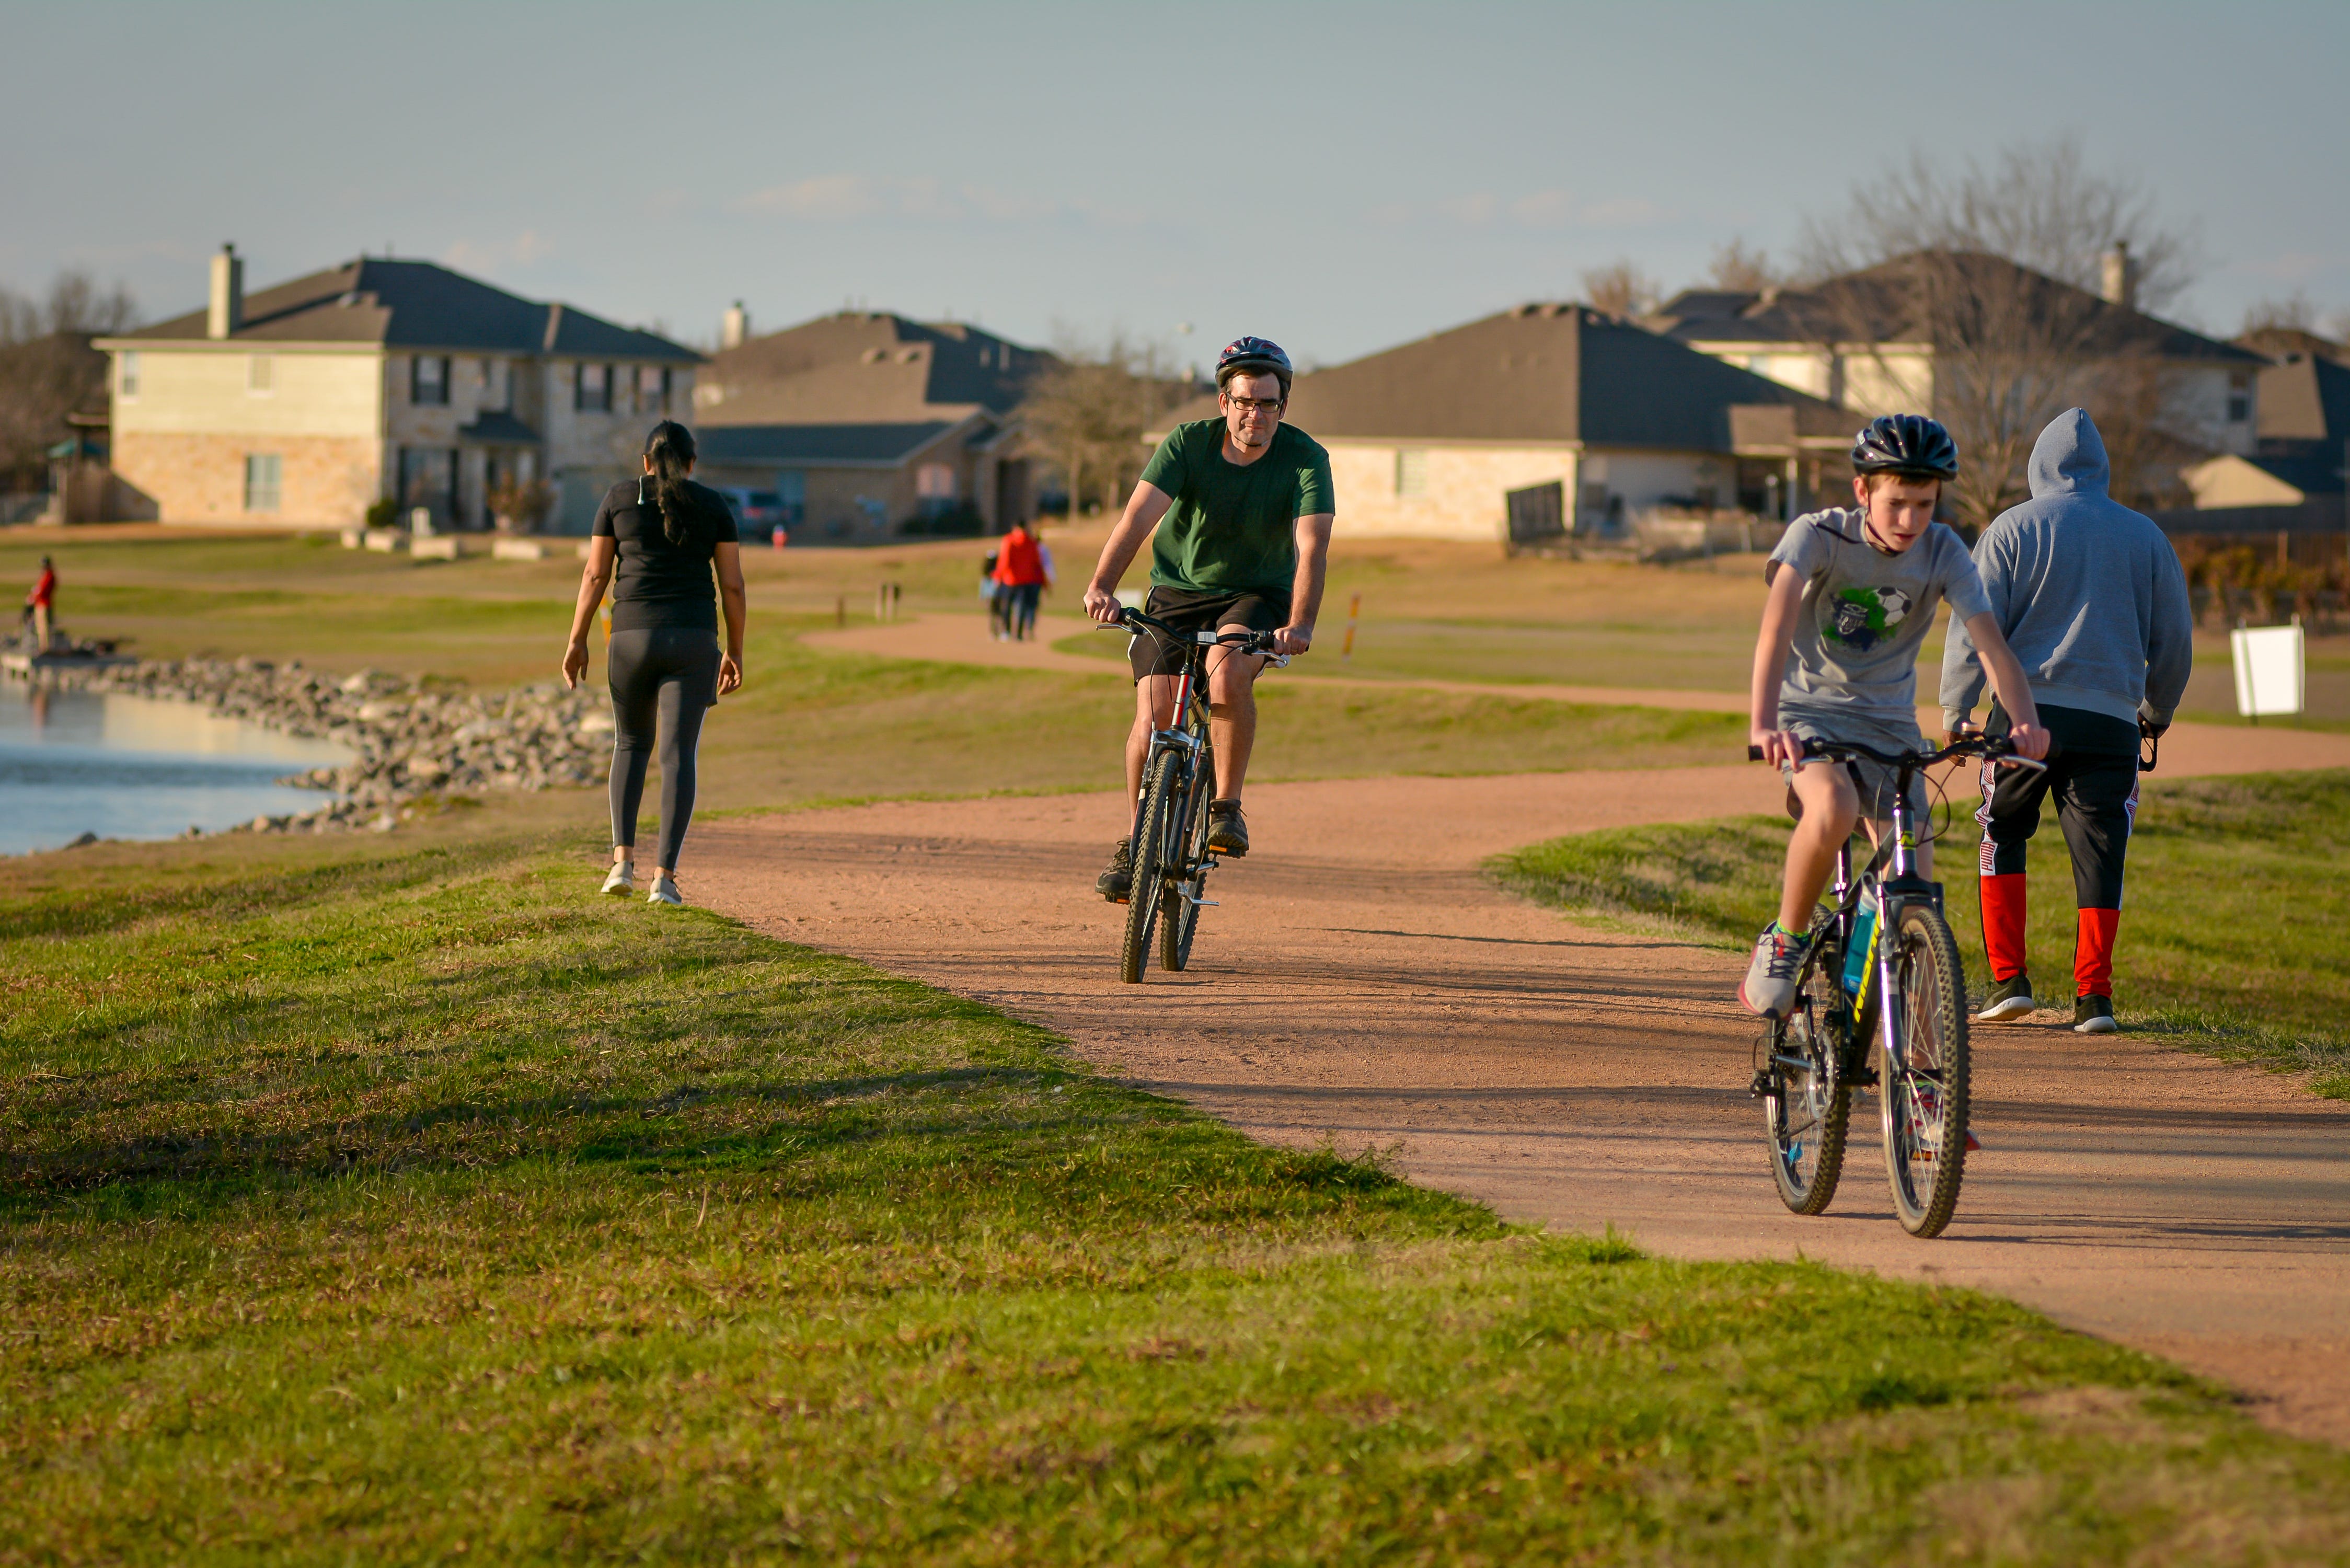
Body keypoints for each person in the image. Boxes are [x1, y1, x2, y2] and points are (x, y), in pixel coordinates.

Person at [1743, 414, 2049, 1019]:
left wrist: (2024, 722)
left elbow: (1991, 646)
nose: (1910, 520)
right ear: (1862, 492)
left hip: (1888, 726)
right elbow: (1775, 628)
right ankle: (1785, 940)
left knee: (1913, 868)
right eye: (1897, 502)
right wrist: (1762, 723)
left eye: (1924, 504)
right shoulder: (1816, 537)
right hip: (1808, 716)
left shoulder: (1942, 552)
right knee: (1832, 809)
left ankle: (1894, 1030)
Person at [1941, 408, 2193, 1035]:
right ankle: (2094, 1000)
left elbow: (1974, 622)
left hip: (2023, 716)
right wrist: (2155, 712)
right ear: (2102, 468)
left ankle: (2008, 982)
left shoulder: (2010, 528)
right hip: (2111, 721)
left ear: (2036, 465)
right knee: (2101, 854)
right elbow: (2174, 639)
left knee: (2002, 833)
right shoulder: (2145, 537)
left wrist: (1956, 705)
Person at [1082, 337, 1334, 897]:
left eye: (1267, 403)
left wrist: (1300, 624)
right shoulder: (1185, 444)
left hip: (1256, 594)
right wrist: (1101, 585)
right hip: (1176, 591)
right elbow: (1136, 518)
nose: (1255, 415)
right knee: (1150, 722)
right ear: (1224, 403)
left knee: (1226, 671)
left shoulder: (1305, 458)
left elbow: (1312, 547)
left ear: (1282, 407)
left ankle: (1226, 807)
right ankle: (1134, 842)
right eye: (1244, 401)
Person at [562, 421, 746, 906]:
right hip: (693, 642)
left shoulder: (619, 498)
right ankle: (664, 879)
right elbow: (732, 587)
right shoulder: (712, 504)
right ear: (691, 464)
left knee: (631, 744)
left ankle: (621, 863)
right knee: (678, 755)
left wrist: (577, 639)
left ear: (645, 463)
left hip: (630, 640)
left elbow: (596, 572)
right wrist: (736, 650)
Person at [992, 517, 1051, 640]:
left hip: (1010, 579)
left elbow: (1005, 561)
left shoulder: (1009, 540)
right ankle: (1019, 634)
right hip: (1026, 579)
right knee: (1022, 607)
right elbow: (1037, 563)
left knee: (1007, 606)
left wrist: (998, 576)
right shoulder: (1032, 542)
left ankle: (1006, 631)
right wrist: (1044, 582)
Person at [26, 556, 55, 651]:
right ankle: (43, 646)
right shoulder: (44, 576)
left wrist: (33, 597)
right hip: (40, 604)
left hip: (44, 604)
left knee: (44, 627)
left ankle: (46, 648)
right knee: (40, 627)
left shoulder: (49, 576)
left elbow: (42, 591)